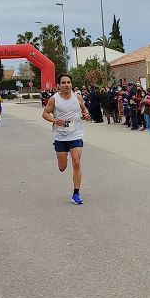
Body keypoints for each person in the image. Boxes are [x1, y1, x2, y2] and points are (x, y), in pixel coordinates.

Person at [43, 74, 91, 204]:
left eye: (68, 82)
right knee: (62, 167)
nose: (66, 85)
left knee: (76, 162)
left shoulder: (78, 97)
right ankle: (64, 158)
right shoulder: (54, 99)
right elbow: (45, 114)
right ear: (59, 85)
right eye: (63, 82)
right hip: (60, 136)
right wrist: (54, 119)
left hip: (75, 134)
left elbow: (84, 109)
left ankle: (76, 194)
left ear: (71, 84)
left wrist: (86, 114)